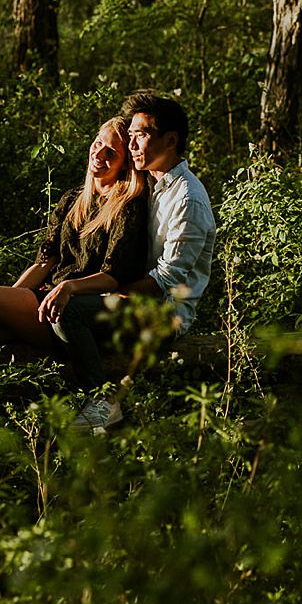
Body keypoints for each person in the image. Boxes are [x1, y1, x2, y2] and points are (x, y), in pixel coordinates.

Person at [0, 116, 150, 389]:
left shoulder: (126, 207)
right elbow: (45, 262)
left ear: (125, 164)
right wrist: (7, 301)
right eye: (98, 144)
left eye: (112, 153)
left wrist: (69, 287)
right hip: (45, 301)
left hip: (75, 313)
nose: (99, 154)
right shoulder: (73, 199)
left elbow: (113, 276)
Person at [58, 91, 217, 430]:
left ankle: (101, 403)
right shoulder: (150, 184)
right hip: (133, 299)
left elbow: (166, 281)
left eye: (141, 134)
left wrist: (105, 295)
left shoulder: (188, 200)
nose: (131, 145)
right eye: (130, 136)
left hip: (162, 314)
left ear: (171, 140)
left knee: (71, 310)